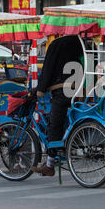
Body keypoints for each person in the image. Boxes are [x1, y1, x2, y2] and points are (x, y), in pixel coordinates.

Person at [32, 35, 83, 176]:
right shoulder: (80, 42)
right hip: (80, 89)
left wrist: (40, 90)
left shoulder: (56, 44)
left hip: (62, 90)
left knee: (55, 124)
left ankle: (49, 164)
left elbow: (48, 69)